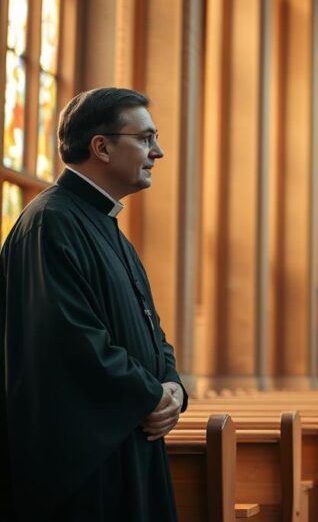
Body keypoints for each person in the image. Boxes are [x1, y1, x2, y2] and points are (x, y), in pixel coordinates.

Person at [0, 88, 187, 521]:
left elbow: (151, 329)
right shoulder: (51, 222)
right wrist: (150, 394)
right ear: (100, 147)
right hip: (84, 467)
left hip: (127, 445)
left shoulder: (107, 227)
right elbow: (70, 341)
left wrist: (174, 387)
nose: (157, 152)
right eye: (145, 139)